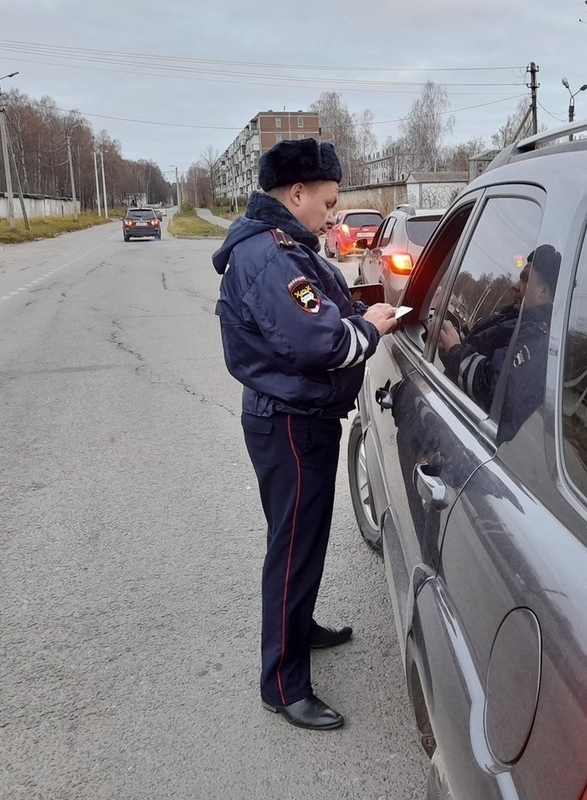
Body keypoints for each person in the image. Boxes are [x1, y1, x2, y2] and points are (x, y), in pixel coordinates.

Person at [211, 138, 399, 731]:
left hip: (296, 418)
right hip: (290, 423)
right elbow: (321, 341)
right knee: (292, 548)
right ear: (296, 193)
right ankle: (284, 684)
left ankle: (300, 627)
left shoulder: (287, 247)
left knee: (303, 541)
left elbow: (323, 308)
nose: (334, 214)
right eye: (328, 202)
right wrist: (368, 328)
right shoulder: (270, 258)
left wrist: (362, 306)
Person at [438, 248, 557, 423]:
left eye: (525, 279)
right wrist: (453, 344)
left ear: (543, 292)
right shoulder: (516, 320)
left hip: (463, 428)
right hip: (453, 416)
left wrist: (455, 351)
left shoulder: (536, 339)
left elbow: (490, 386)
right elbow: (483, 355)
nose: (515, 285)